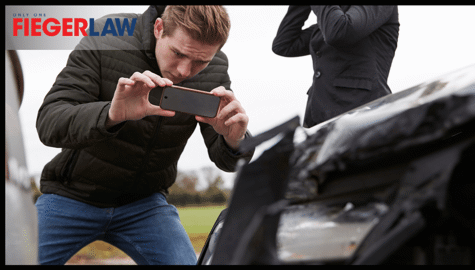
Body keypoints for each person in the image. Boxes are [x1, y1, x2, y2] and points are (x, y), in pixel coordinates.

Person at [35, 5, 254, 265]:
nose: (185, 70)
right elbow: (49, 122)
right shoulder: (107, 37)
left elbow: (226, 160)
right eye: (178, 53)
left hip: (145, 205)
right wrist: (111, 114)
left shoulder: (215, 69)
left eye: (200, 61)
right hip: (71, 196)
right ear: (159, 28)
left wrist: (234, 140)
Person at [272, 5, 399, 128]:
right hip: (319, 118)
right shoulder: (331, 20)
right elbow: (284, 44)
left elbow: (339, 32)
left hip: (361, 113)